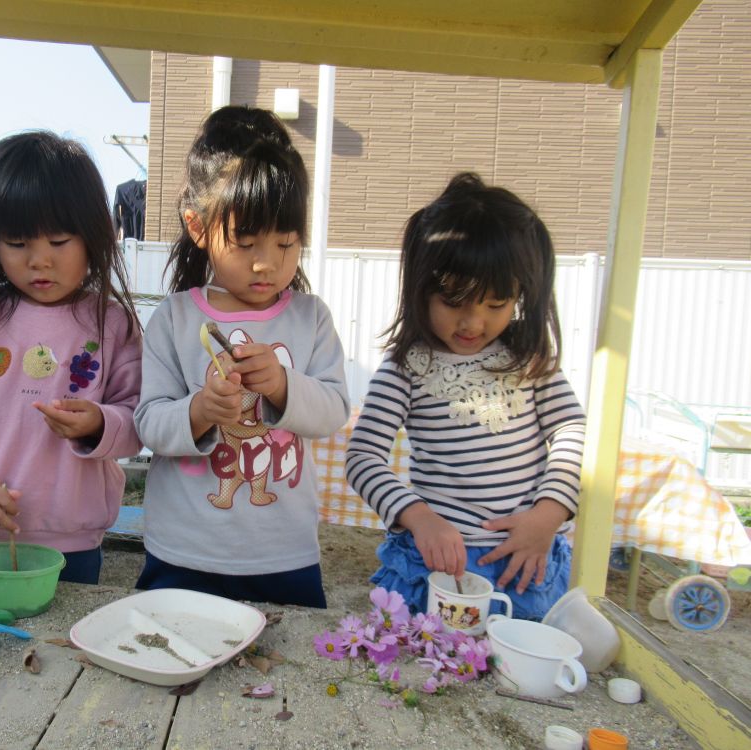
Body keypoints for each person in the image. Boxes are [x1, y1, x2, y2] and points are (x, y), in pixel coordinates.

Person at [133, 106, 351, 608]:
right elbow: (148, 422)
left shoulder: (310, 317)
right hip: (184, 551)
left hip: (284, 555)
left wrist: (281, 386)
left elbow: (335, 409)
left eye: (286, 243)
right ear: (198, 226)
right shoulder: (176, 318)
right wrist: (201, 410)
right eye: (246, 242)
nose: (266, 263)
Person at [345, 172, 586, 621]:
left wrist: (549, 514)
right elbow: (362, 457)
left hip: (524, 561)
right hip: (440, 565)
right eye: (454, 301)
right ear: (421, 289)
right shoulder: (407, 368)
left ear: (521, 296)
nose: (473, 323)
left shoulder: (528, 358)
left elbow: (572, 430)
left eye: (496, 305)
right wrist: (419, 518)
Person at [0, 131, 142, 585]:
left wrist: (99, 424)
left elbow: (140, 418)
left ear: (94, 236)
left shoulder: (112, 325)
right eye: (17, 243)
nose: (40, 261)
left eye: (58, 241)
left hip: (72, 543)